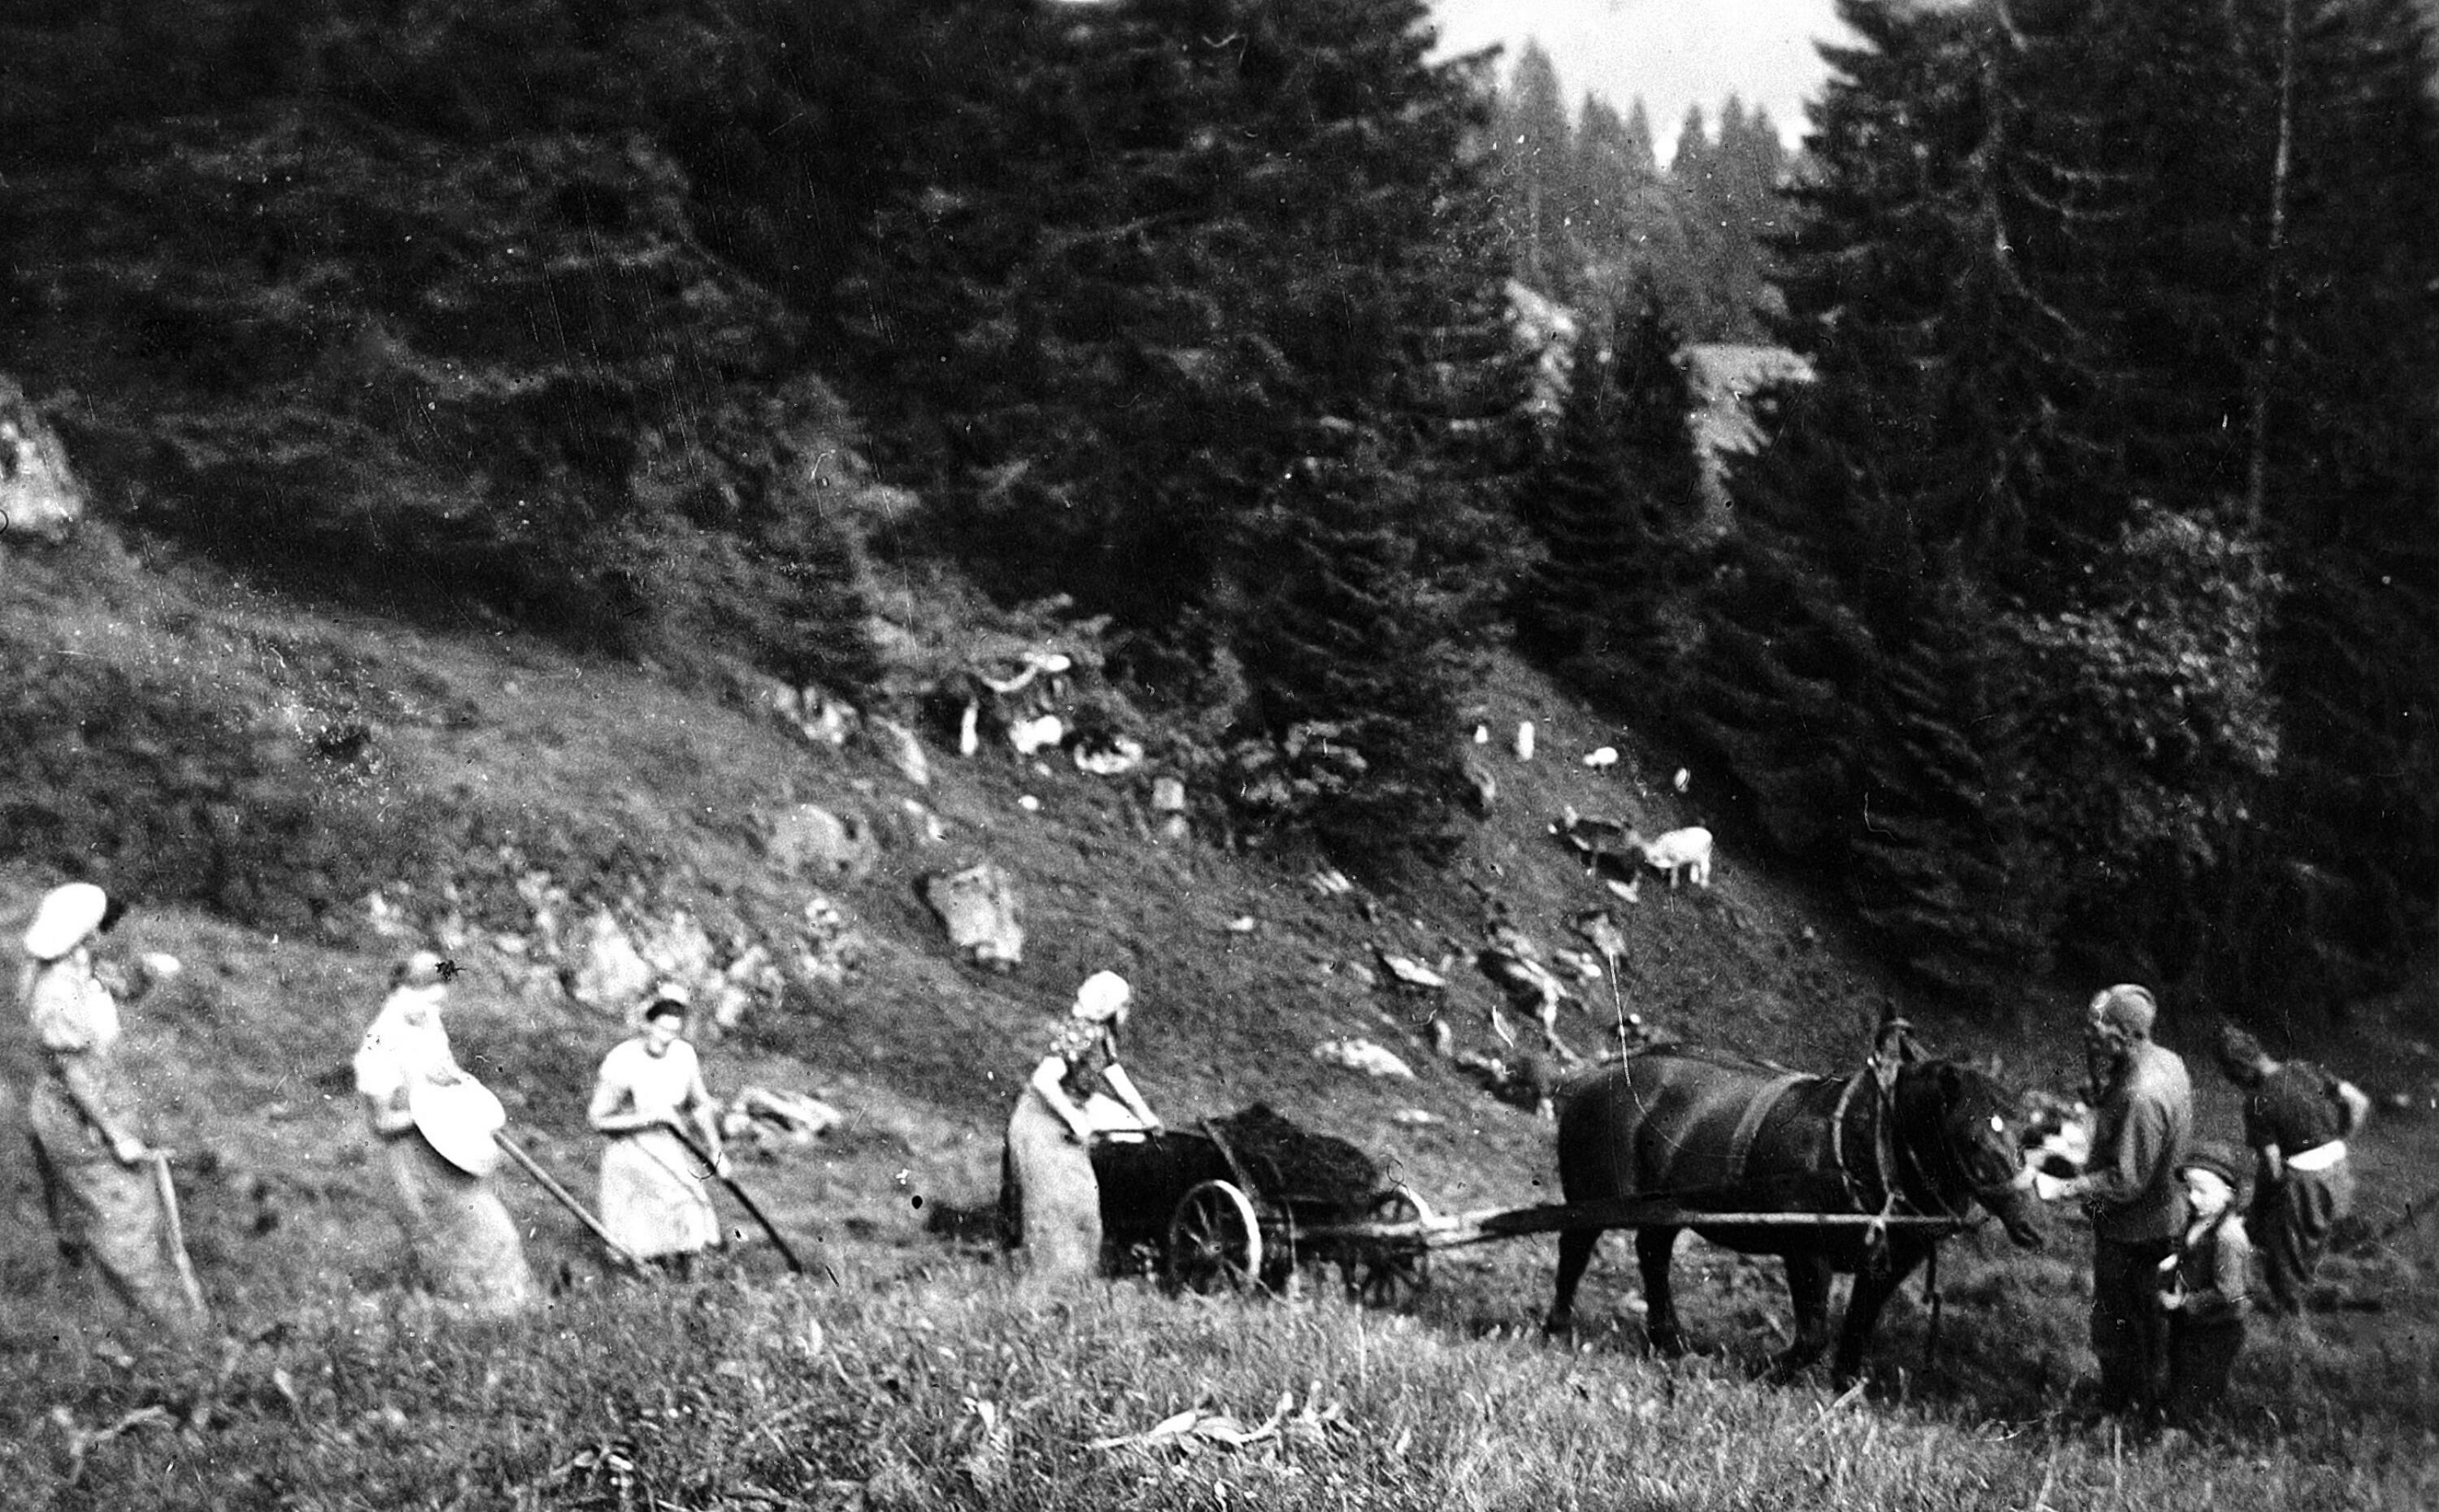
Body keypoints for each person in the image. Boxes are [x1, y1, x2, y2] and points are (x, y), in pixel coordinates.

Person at [17, 882, 210, 1336]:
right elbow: (75, 1073)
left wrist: (144, 971)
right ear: (88, 932)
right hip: (78, 1119)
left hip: (86, 1104)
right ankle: (180, 1332)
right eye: (104, 927)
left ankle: (119, 1326)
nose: (108, 934)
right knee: (126, 1223)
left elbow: (115, 986)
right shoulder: (56, 991)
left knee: (103, 1218)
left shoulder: (77, 964)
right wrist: (117, 1136)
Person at [2036, 983, 2193, 1430]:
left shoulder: (2140, 1095)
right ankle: (2142, 1405)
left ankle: (2122, 1414)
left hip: (2135, 1230)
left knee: (2118, 1325)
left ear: (2126, 1034)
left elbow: (2125, 1181)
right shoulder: (2168, 1062)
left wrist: (2061, 1188)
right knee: (2148, 1323)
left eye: (2098, 1026)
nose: (2090, 1034)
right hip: (2162, 1217)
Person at [353, 951, 537, 1316]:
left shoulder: (426, 1022)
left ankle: (501, 1312)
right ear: (401, 991)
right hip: (411, 1159)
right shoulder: (377, 1042)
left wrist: (456, 1089)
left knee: (494, 1233)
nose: (433, 1009)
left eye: (439, 1001)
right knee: (461, 1238)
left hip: (447, 1149)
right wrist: (430, 1115)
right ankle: (467, 1317)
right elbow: (382, 1122)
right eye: (427, 1000)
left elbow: (443, 1073)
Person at [1000, 970, 1163, 1280]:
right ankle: (1050, 1282)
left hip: (1062, 1121)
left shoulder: (1102, 1036)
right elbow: (1043, 1080)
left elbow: (1115, 1076)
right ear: (1111, 1007)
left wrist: (1147, 1118)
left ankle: (1073, 1279)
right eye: (1124, 1006)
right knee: (1060, 1201)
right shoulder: (1082, 1032)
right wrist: (1076, 1119)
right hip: (1041, 1123)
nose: (1126, 1013)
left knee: (1083, 1200)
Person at [2215, 1023, 2371, 1314]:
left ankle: (2292, 1320)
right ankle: (2315, 1296)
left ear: (2240, 1070)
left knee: (2286, 1256)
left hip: (2306, 1179)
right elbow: (2358, 1100)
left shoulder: (2258, 1100)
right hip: (2339, 1168)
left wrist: (2262, 1204)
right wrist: (2342, 1135)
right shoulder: (2304, 1068)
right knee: (2313, 1242)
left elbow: (2272, 1166)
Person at [589, 986, 728, 1279]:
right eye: (662, 1029)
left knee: (691, 1207)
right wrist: (650, 1118)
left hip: (670, 1145)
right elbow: (598, 1120)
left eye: (674, 1032)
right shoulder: (622, 1059)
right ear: (647, 1025)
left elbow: (700, 1105)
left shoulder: (684, 1055)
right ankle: (646, 1281)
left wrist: (716, 1151)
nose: (666, 1038)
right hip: (631, 1150)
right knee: (647, 1226)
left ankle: (691, 1283)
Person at [2158, 1140, 2254, 1435]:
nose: (2193, 1198)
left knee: (2196, 1383)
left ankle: (2179, 1436)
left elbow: (2230, 1292)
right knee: (2182, 1371)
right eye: (2189, 1189)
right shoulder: (2201, 1220)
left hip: (2217, 1327)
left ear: (2229, 1193)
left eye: (2202, 1191)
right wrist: (2174, 1261)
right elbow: (2192, 1252)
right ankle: (2188, 1422)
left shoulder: (2228, 1237)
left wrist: (2183, 1303)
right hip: (2194, 1322)